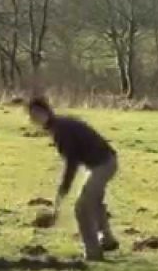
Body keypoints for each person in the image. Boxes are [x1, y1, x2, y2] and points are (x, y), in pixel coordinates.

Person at [27, 96, 119, 261]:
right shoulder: (59, 125)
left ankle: (93, 253)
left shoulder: (61, 130)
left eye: (38, 113)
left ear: (47, 111)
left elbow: (72, 161)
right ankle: (108, 239)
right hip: (102, 163)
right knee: (94, 202)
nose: (36, 118)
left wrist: (64, 187)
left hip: (103, 164)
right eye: (33, 116)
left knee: (82, 208)